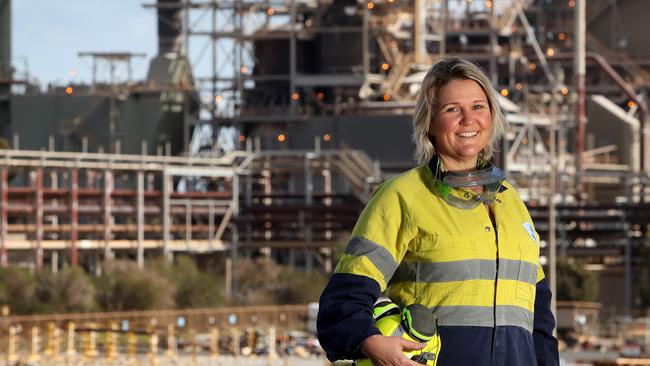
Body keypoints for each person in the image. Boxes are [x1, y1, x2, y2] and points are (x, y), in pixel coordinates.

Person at [317, 56, 559, 365]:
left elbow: (539, 322)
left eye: (478, 106)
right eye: (452, 109)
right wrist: (370, 342)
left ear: (492, 116)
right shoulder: (403, 196)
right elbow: (343, 300)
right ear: (430, 122)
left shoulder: (512, 203)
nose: (468, 119)